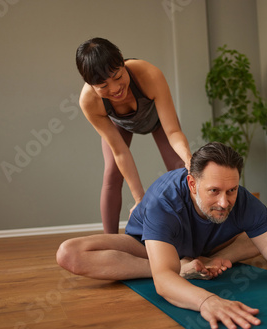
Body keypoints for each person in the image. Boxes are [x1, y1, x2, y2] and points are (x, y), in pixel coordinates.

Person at [57, 142, 267, 329]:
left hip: (210, 243)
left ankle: (200, 261)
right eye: (213, 191)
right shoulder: (165, 201)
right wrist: (206, 300)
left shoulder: (241, 200)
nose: (224, 201)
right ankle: (189, 266)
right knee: (69, 254)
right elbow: (163, 280)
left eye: (231, 190)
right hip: (149, 245)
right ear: (192, 184)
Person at [76, 37, 192, 233]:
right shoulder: (88, 102)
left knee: (181, 170)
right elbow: (120, 152)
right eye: (103, 86)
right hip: (120, 125)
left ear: (122, 60)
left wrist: (189, 159)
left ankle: (191, 233)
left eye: (117, 76)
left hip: (157, 121)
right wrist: (139, 199)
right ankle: (111, 241)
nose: (114, 89)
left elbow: (173, 132)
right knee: (112, 173)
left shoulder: (149, 74)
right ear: (89, 83)